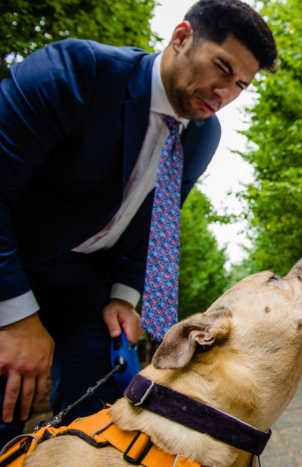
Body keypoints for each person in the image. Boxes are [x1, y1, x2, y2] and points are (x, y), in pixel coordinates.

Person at [0, 0, 277, 445]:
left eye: (240, 84)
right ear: (181, 37)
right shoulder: (76, 71)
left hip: (84, 281)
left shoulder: (204, 135)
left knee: (98, 413)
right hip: (10, 258)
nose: (224, 92)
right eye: (222, 68)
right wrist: (14, 318)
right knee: (8, 399)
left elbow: (158, 221)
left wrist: (125, 296)